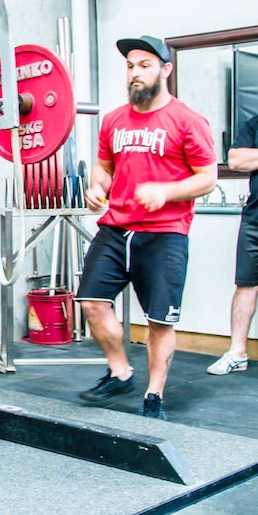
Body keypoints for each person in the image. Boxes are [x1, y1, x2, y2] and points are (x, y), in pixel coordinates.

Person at [75, 35, 217, 420]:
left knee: (158, 320)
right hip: (116, 228)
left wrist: (168, 191)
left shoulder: (188, 120)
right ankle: (120, 371)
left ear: (165, 70)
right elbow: (104, 166)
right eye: (130, 66)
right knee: (91, 301)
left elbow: (207, 177)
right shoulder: (114, 120)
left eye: (144, 65)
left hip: (165, 233)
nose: (135, 73)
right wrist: (96, 186)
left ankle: (154, 395)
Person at [206, 114, 258, 375]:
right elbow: (236, 160)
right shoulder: (254, 123)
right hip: (255, 218)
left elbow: (247, 158)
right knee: (246, 285)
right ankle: (237, 354)